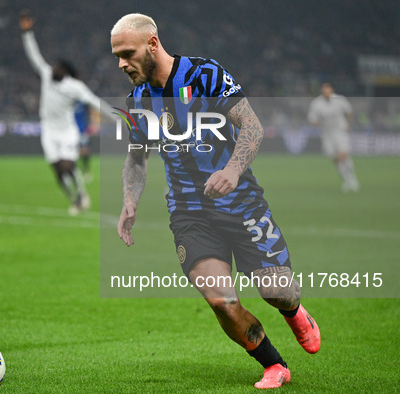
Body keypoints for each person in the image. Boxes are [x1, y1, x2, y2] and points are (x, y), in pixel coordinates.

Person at [111, 14, 320, 389]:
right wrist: (130, 200)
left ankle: (293, 311)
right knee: (220, 300)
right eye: (117, 56)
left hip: (241, 203)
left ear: (153, 44)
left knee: (278, 292)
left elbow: (252, 126)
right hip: (189, 213)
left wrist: (233, 171)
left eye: (127, 53)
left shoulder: (204, 75)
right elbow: (136, 157)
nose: (121, 64)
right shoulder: (137, 100)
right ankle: (274, 365)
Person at [20, 11, 112, 215]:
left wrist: (119, 118)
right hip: (48, 130)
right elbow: (34, 56)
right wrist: (27, 32)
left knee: (68, 165)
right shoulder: (46, 75)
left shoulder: (75, 87)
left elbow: (95, 102)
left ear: (65, 72)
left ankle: (81, 193)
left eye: (58, 68)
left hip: (67, 130)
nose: (53, 69)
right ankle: (74, 198)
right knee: (58, 171)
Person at [308, 82, 359, 192]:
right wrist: (316, 122)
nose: (326, 92)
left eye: (328, 89)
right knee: (336, 159)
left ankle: (353, 180)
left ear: (331, 90)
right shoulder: (316, 103)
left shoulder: (340, 100)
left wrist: (348, 125)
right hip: (327, 133)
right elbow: (312, 119)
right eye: (324, 90)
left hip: (340, 130)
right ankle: (346, 180)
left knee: (343, 155)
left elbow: (349, 112)